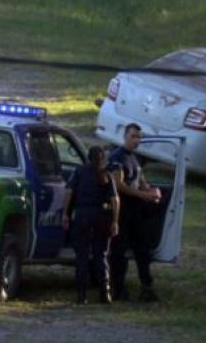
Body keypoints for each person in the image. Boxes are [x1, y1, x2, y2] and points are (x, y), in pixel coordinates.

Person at [108, 123, 163, 302]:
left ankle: (147, 287)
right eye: (132, 136)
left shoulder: (136, 159)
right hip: (121, 211)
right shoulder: (117, 158)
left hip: (136, 212)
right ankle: (118, 289)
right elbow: (119, 185)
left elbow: (142, 181)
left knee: (143, 251)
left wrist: (153, 192)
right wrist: (144, 195)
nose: (136, 140)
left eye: (138, 137)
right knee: (119, 253)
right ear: (125, 137)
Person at [63, 146, 120, 305]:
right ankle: (105, 293)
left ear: (88, 157)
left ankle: (82, 296)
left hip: (82, 215)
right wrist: (115, 221)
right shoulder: (107, 175)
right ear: (103, 159)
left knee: (81, 256)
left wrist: (65, 214)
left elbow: (68, 192)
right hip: (102, 217)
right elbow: (115, 200)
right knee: (101, 255)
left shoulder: (79, 172)